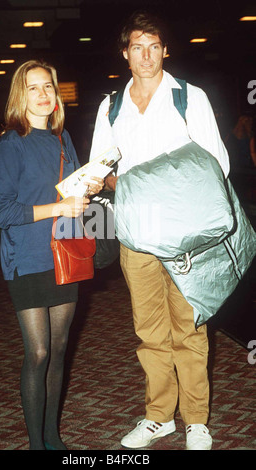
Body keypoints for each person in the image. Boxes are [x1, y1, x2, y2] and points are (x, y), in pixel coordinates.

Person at [89, 10, 230, 450]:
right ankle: (158, 416)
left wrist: (168, 184)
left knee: (189, 327)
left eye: (154, 47)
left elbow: (218, 164)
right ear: (125, 53)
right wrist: (107, 181)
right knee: (149, 331)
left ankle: (197, 421)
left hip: (186, 232)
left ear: (165, 50)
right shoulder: (111, 106)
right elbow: (101, 166)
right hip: (138, 233)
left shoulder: (191, 98)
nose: (146, 56)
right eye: (137, 47)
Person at [0, 60, 103, 450]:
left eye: (48, 87)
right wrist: (58, 208)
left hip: (63, 253)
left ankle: (52, 437)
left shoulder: (61, 138)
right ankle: (35, 443)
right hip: (27, 257)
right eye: (33, 88)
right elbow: (0, 211)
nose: (43, 95)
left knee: (58, 349)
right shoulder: (11, 144)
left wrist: (87, 189)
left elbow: (70, 194)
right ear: (20, 96)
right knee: (37, 352)